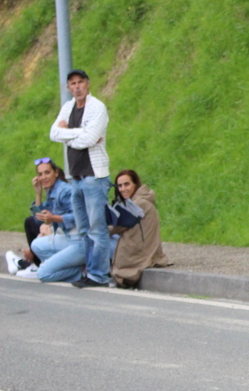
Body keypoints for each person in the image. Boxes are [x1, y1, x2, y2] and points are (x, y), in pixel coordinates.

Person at [49, 69, 112, 288]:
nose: (77, 87)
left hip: (93, 176)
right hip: (75, 177)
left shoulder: (97, 107)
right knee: (84, 229)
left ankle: (99, 275)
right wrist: (78, 133)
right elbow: (53, 133)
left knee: (97, 228)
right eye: (73, 83)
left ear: (88, 83)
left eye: (80, 82)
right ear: (68, 88)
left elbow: (90, 139)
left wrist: (68, 135)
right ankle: (90, 271)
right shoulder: (67, 108)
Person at [5, 158, 76, 278]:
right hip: (61, 230)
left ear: (56, 173)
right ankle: (34, 264)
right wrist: (38, 193)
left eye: (47, 173)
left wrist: (52, 221)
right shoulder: (52, 190)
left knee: (37, 237)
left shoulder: (64, 191)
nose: (43, 177)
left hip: (72, 235)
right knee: (31, 222)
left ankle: (35, 265)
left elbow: (77, 217)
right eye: (40, 174)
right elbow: (39, 219)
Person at [109, 169, 169, 287]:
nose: (122, 189)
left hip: (139, 254)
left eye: (126, 184)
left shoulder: (139, 204)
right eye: (120, 186)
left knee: (98, 238)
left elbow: (113, 228)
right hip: (141, 249)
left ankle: (96, 274)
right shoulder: (137, 201)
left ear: (135, 184)